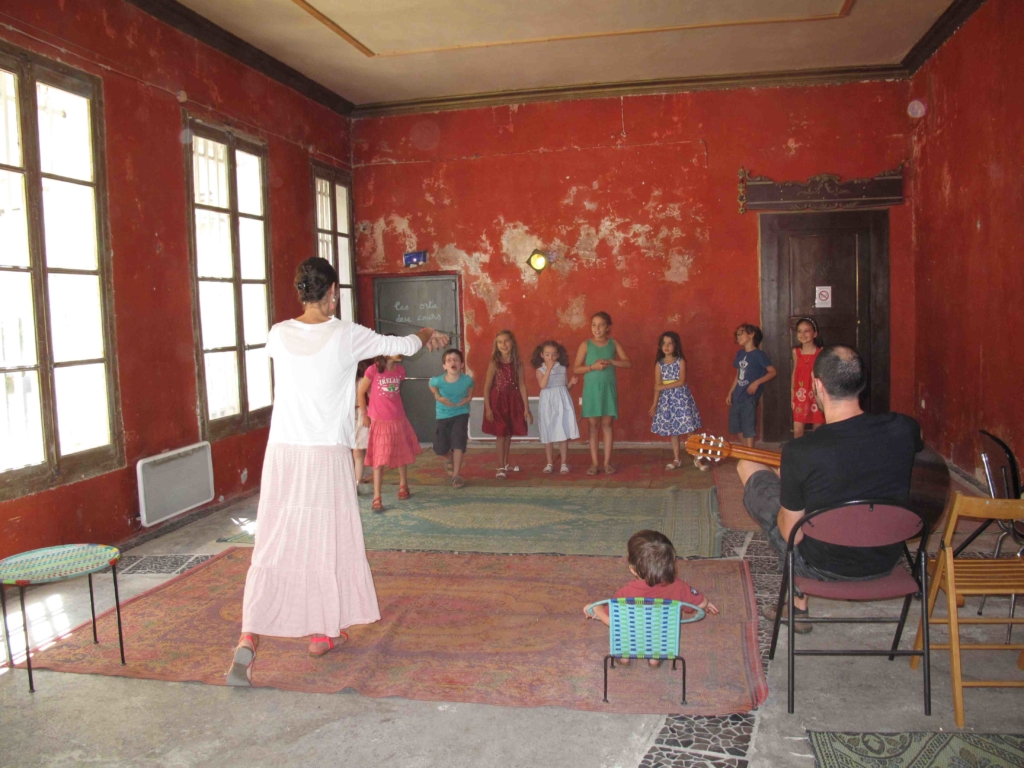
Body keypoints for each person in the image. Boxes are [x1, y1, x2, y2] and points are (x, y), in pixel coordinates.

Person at [227, 257, 448, 686]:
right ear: (331, 293)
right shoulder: (346, 334)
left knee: (274, 540)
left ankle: (248, 636)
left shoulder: (278, 334)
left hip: (283, 452)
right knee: (327, 539)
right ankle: (322, 633)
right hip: (326, 453)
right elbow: (400, 347)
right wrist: (422, 333)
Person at [736, 345, 924, 633]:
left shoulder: (801, 451)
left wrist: (789, 485)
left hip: (822, 567)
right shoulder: (905, 427)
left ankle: (798, 602)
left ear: (817, 386)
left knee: (748, 469)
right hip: (886, 560)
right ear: (860, 383)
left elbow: (791, 534)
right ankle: (797, 605)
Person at [585, 530, 719, 666]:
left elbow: (613, 621)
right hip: (659, 631)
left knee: (624, 634)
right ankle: (655, 658)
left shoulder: (627, 591)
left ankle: (624, 657)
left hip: (632, 633)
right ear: (672, 564)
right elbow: (700, 604)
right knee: (659, 635)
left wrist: (596, 608)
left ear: (633, 569)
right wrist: (706, 603)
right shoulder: (679, 586)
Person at [358, 354, 421, 512]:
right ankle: (377, 497)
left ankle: (403, 485)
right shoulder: (373, 370)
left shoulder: (400, 370)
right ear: (386, 352)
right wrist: (365, 414)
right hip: (379, 422)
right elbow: (361, 392)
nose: (401, 352)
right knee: (378, 460)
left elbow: (393, 393)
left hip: (398, 419)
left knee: (401, 453)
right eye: (397, 349)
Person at [574, 311, 631, 475]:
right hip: (591, 390)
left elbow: (628, 363)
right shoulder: (586, 344)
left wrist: (612, 361)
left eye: (601, 325)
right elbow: (577, 368)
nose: (597, 328)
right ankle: (594, 463)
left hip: (608, 389)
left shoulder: (613, 343)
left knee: (607, 425)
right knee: (593, 427)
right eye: (593, 325)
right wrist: (593, 367)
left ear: (608, 327)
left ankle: (607, 463)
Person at [648, 331, 704, 471]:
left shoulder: (680, 361)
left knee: (690, 429)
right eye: (664, 343)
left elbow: (681, 381)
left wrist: (664, 386)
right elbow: (657, 386)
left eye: (670, 343)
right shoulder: (659, 364)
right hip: (667, 401)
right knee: (674, 430)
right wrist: (655, 404)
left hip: (681, 399)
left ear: (676, 346)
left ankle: (697, 459)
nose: (666, 346)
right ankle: (677, 459)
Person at [481, 330, 532, 478]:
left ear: (512, 343)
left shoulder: (517, 363)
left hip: (513, 400)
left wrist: (526, 408)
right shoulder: (494, 363)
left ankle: (505, 462)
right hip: (497, 401)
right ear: (496, 345)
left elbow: (522, 385)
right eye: (500, 342)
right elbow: (486, 386)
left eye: (506, 341)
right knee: (501, 434)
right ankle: (500, 467)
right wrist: (488, 408)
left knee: (508, 433)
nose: (504, 344)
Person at [531, 340, 579, 474]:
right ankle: (549, 463)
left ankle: (564, 463)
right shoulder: (540, 370)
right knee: (548, 432)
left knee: (562, 432)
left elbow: (564, 388)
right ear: (542, 355)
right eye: (547, 354)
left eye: (553, 355)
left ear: (558, 355)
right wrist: (549, 369)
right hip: (548, 403)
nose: (550, 358)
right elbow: (543, 385)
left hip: (562, 402)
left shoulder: (562, 369)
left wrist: (571, 383)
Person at [429, 348, 474, 489]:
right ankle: (449, 458)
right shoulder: (439, 380)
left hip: (461, 413)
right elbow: (431, 385)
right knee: (439, 448)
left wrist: (469, 398)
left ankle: (456, 475)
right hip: (443, 415)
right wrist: (438, 397)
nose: (452, 362)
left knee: (458, 443)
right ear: (444, 366)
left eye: (456, 359)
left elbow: (471, 388)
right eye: (449, 360)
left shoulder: (467, 380)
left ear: (461, 364)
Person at [726, 323, 776, 448]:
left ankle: (750, 454)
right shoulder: (740, 354)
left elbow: (772, 372)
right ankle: (747, 453)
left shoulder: (759, 355)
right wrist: (730, 392)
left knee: (748, 426)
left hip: (749, 397)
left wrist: (756, 382)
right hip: (737, 395)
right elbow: (738, 376)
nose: (738, 337)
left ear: (752, 334)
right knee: (736, 426)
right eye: (737, 335)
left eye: (741, 333)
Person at [791, 317, 825, 438]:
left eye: (807, 331)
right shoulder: (796, 352)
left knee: (818, 430)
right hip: (800, 394)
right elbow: (795, 371)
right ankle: (798, 455)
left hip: (816, 394)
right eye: (799, 331)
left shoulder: (821, 352)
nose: (802, 334)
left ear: (815, 333)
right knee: (798, 430)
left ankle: (816, 454)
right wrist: (792, 392)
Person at [352, 359, 373, 489]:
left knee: (358, 450)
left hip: (361, 415)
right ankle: (355, 480)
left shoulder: (363, 382)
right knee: (354, 451)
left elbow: (371, 398)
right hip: (348, 416)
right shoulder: (344, 382)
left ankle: (357, 481)